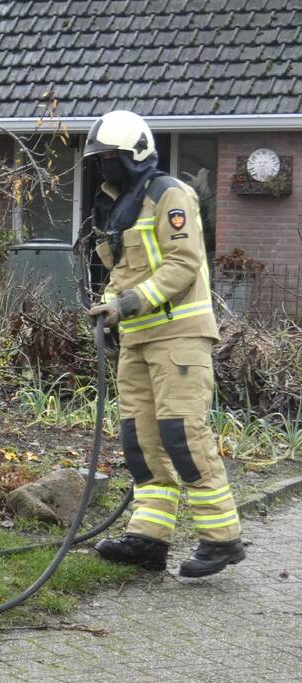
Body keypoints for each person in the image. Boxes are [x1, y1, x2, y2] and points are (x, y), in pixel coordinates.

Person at [85, 110, 246, 578]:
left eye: (111, 159)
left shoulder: (169, 194)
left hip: (179, 336)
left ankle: (222, 539)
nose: (104, 168)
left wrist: (130, 302)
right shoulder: (118, 205)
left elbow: (183, 262)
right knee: (141, 441)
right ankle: (149, 538)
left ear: (135, 154)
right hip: (136, 340)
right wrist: (110, 302)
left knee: (182, 435)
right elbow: (123, 272)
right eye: (101, 160)